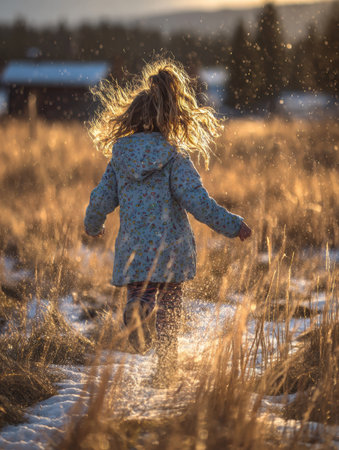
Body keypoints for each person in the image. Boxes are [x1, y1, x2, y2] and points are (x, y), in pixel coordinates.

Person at [84, 58, 252, 388]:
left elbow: (101, 198)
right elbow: (198, 202)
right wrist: (233, 225)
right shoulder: (174, 155)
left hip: (135, 253)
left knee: (142, 295)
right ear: (169, 116)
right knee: (170, 308)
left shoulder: (119, 156)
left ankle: (138, 308)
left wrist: (92, 225)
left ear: (131, 119)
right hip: (171, 251)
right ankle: (166, 366)